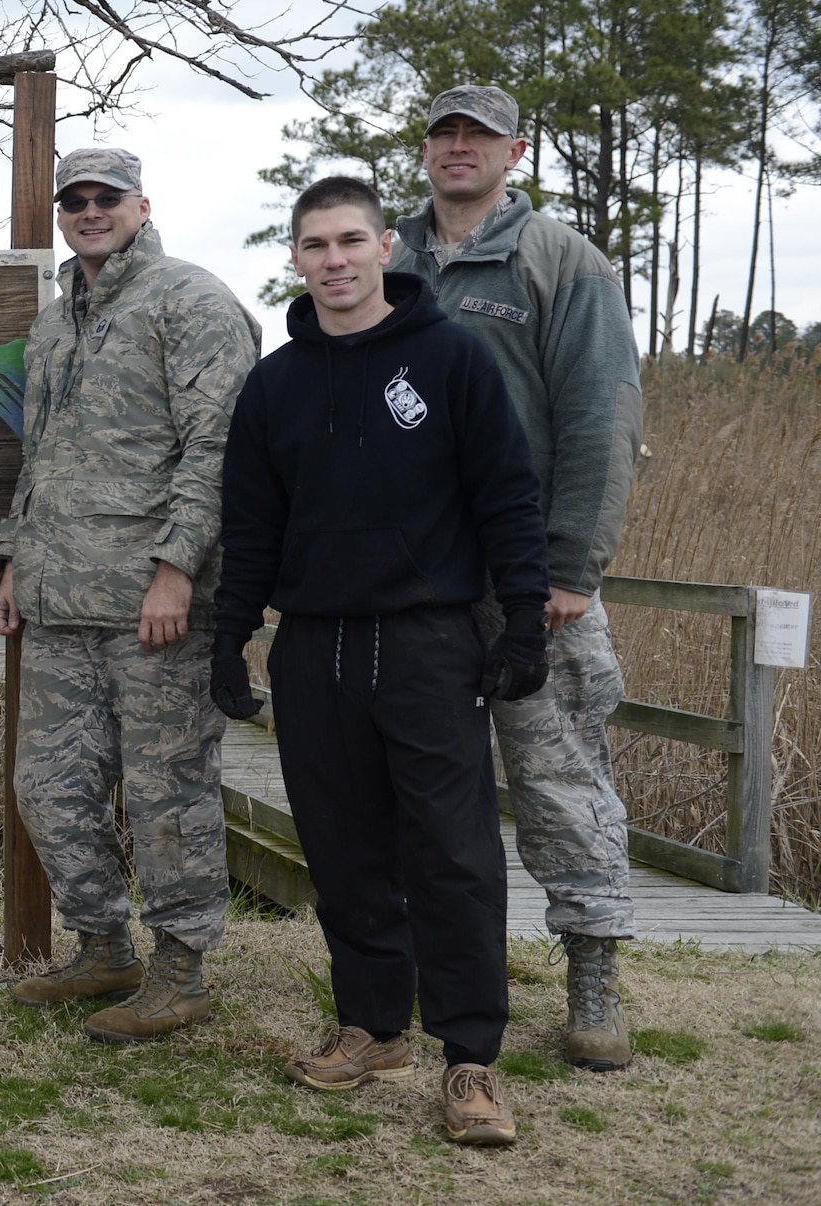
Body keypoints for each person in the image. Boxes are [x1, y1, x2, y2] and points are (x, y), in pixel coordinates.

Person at [213, 175, 553, 1145]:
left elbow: (504, 497)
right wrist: (230, 636)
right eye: (314, 244)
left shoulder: (449, 359)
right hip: (312, 644)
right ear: (294, 258)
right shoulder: (274, 382)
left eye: (349, 240)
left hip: (425, 642)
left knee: (450, 856)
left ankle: (468, 1060)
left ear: (383, 250)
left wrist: (520, 622)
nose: (333, 259)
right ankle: (369, 1026)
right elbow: (250, 526)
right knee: (340, 848)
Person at [388, 85, 644, 1072]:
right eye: (443, 134)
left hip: (528, 580)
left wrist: (569, 569)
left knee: (558, 779)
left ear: (515, 153)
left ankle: (590, 976)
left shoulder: (559, 262)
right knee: (423, 787)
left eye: (478, 137)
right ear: (424, 150)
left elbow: (598, 420)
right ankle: (427, 966)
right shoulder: (389, 259)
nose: (458, 149)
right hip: (415, 584)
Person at [0, 147, 260, 1044]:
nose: (90, 212)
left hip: (157, 608)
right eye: (76, 200)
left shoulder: (191, 302)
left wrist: (178, 567)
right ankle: (104, 947)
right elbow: (42, 458)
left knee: (167, 794)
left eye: (107, 198)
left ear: (143, 204)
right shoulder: (56, 322)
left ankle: (181, 967)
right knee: (49, 788)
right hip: (62, 597)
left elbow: (218, 449)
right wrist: (13, 563)